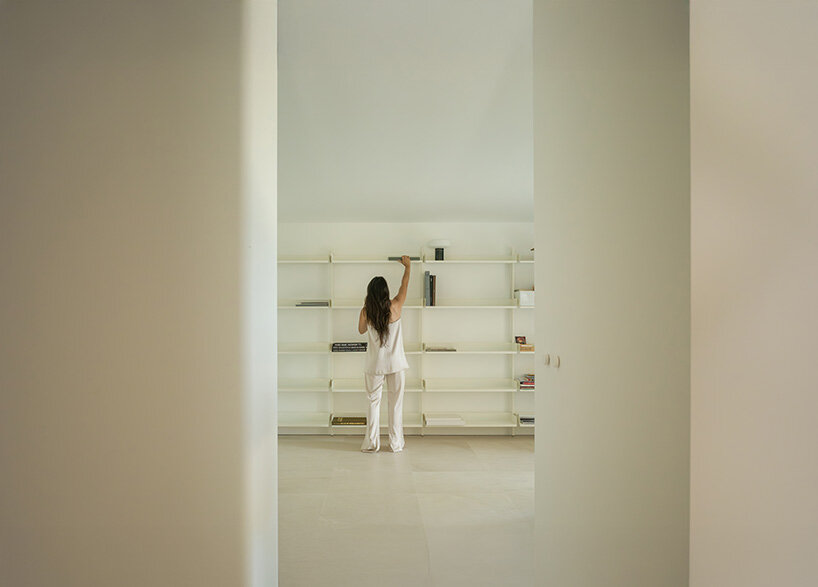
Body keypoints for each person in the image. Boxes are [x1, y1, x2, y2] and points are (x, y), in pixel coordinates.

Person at [357, 255, 411, 453]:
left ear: (370, 293)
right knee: (396, 405)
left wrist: (367, 311)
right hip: (396, 364)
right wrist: (408, 267)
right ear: (386, 292)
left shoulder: (366, 312)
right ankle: (396, 444)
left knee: (373, 403)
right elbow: (404, 286)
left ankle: (371, 444)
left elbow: (361, 330)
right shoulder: (395, 306)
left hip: (374, 365)